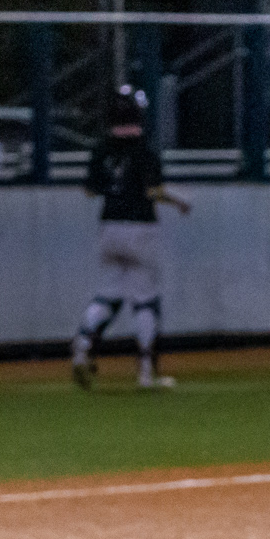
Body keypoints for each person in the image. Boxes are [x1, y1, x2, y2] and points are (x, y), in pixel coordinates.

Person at [71, 85, 191, 390]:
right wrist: (179, 202)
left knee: (108, 292)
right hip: (140, 227)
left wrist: (113, 187)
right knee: (145, 299)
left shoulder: (101, 150)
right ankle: (146, 372)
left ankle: (83, 343)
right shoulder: (144, 151)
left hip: (109, 225)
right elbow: (154, 191)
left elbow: (89, 191)